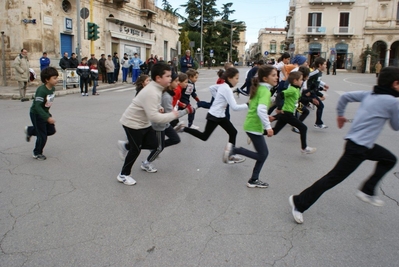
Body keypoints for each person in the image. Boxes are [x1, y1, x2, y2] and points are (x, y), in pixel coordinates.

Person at [289, 66, 399, 224]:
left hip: (362, 145)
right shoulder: (392, 101)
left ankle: (368, 189)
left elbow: (345, 97)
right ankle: (299, 202)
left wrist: (340, 114)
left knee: (389, 159)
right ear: (395, 84)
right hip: (358, 149)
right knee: (332, 179)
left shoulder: (370, 94)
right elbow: (396, 126)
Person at [116, 63, 179, 185]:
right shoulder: (152, 91)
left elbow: (151, 103)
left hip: (143, 123)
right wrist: (173, 115)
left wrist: (159, 106)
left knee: (156, 144)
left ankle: (126, 146)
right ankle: (123, 175)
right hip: (132, 123)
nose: (170, 79)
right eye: (168, 76)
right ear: (158, 78)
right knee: (136, 150)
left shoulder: (156, 89)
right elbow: (154, 117)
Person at [223, 65, 277, 188]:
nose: (277, 77)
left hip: (252, 124)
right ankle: (234, 150)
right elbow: (261, 109)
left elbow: (255, 107)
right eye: (273, 75)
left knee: (263, 154)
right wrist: (268, 127)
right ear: (265, 78)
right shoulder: (265, 91)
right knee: (263, 154)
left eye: (276, 75)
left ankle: (254, 179)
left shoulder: (260, 88)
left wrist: (265, 119)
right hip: (253, 126)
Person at [181, 67, 247, 164]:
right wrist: (248, 105)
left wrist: (218, 99)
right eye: (236, 78)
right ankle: (183, 128)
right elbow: (235, 107)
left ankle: (231, 155)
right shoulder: (227, 89)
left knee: (233, 132)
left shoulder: (223, 86)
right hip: (215, 115)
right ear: (229, 78)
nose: (238, 81)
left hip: (219, 115)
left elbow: (212, 88)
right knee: (204, 136)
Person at [138, 72, 195, 172]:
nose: (178, 83)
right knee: (159, 148)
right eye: (176, 81)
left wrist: (182, 106)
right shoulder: (166, 96)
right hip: (159, 124)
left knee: (175, 139)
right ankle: (146, 163)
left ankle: (152, 146)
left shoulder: (170, 93)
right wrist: (186, 111)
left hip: (165, 123)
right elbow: (171, 114)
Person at [271, 71, 316, 154]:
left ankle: (255, 133)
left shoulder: (296, 89)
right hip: (288, 114)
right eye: (301, 80)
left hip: (287, 113)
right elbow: (279, 95)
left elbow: (300, 99)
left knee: (274, 131)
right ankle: (304, 148)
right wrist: (280, 107)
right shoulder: (292, 90)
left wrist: (311, 99)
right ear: (295, 81)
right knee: (303, 128)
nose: (302, 81)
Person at [24, 67, 59, 160]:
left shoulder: (52, 89)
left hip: (45, 113)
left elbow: (46, 104)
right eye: (54, 78)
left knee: (51, 130)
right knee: (42, 136)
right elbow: (37, 106)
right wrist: (46, 117)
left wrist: (48, 115)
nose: (57, 80)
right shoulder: (41, 90)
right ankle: (37, 153)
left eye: (57, 78)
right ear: (47, 80)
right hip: (37, 114)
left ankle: (30, 130)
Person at [307, 57, 329, 129]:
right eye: (325, 64)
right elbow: (306, 77)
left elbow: (317, 82)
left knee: (319, 106)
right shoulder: (315, 72)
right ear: (320, 65)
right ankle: (318, 123)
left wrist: (323, 86)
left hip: (314, 91)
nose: (326, 66)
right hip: (310, 92)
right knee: (320, 106)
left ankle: (318, 123)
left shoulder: (319, 73)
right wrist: (306, 90)